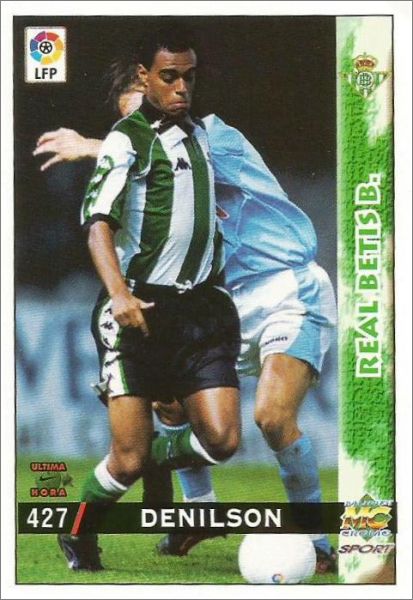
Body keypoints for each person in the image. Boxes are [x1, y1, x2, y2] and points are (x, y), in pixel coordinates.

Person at [35, 54, 337, 574]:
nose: (145, 127)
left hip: (285, 288)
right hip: (217, 299)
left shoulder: (216, 137)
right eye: (133, 120)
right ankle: (198, 513)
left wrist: (90, 145)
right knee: (172, 407)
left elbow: (171, 153)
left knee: (271, 416)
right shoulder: (142, 167)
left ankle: (319, 540)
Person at [54, 28, 242, 571]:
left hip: (201, 310)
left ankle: (170, 483)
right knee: (130, 457)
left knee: (223, 440)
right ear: (145, 77)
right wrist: (119, 294)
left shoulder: (203, 135)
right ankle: (78, 527)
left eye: (189, 77)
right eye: (169, 77)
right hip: (140, 310)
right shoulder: (127, 139)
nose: (182, 87)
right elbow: (98, 222)